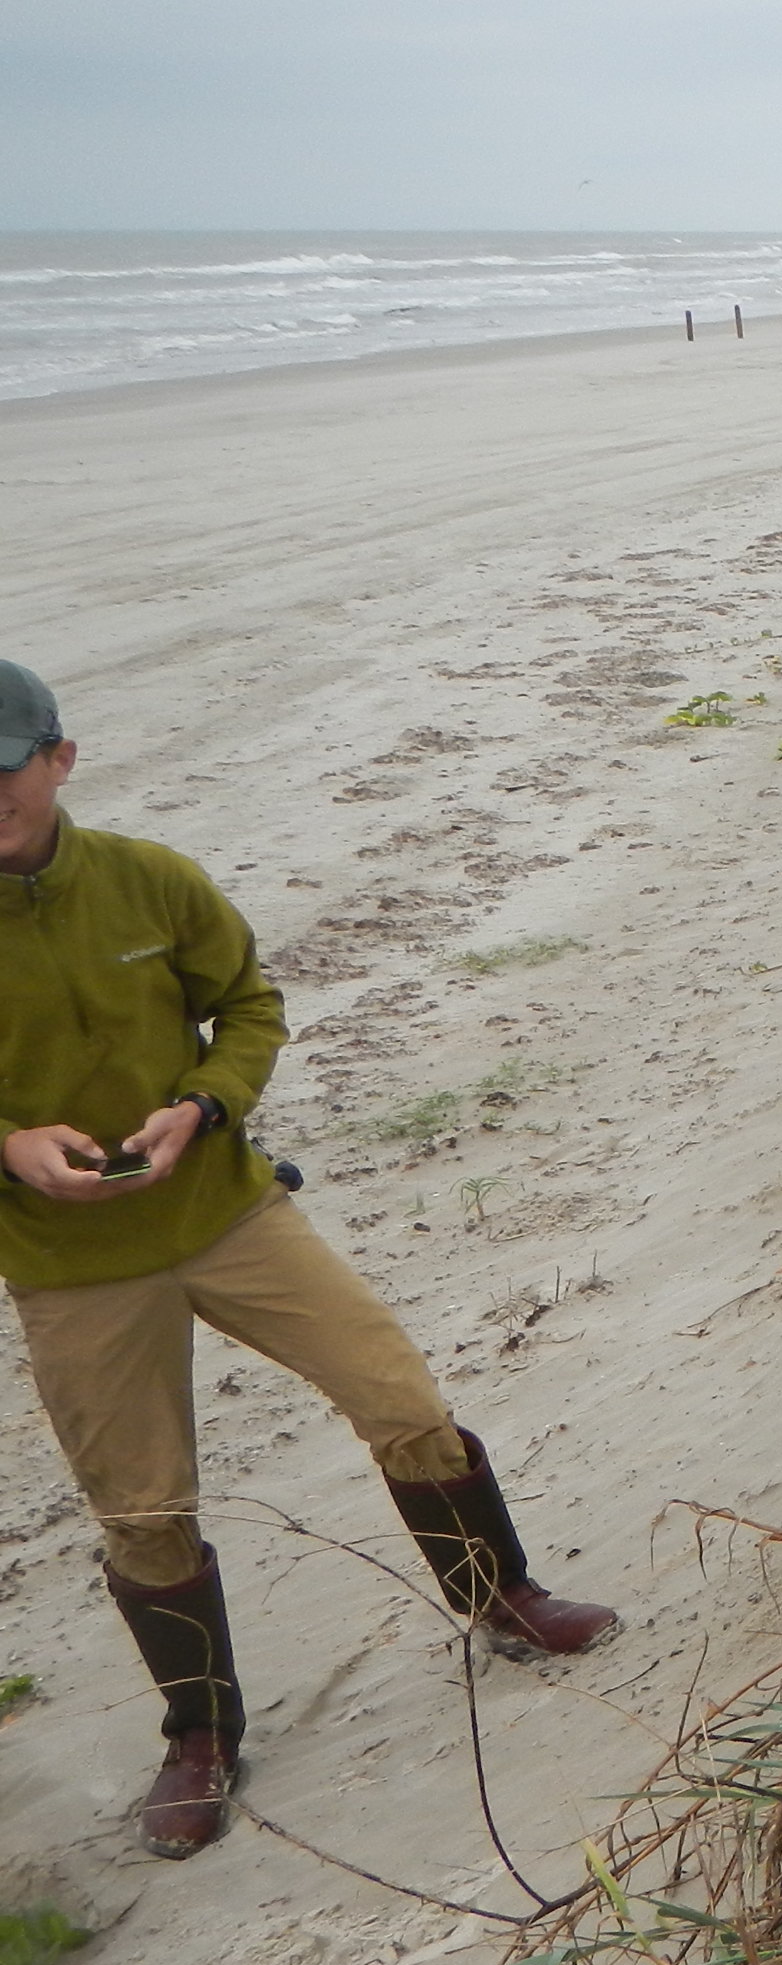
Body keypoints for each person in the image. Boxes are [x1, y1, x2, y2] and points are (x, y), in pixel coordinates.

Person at [0, 659, 616, 1860]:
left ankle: (502, 1598)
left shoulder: (151, 880)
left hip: (230, 1213)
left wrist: (203, 1107)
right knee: (141, 1508)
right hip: (73, 1269)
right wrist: (9, 1145)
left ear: (59, 758)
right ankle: (201, 1734)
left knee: (399, 1396)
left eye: (0, 768)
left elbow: (250, 1008)